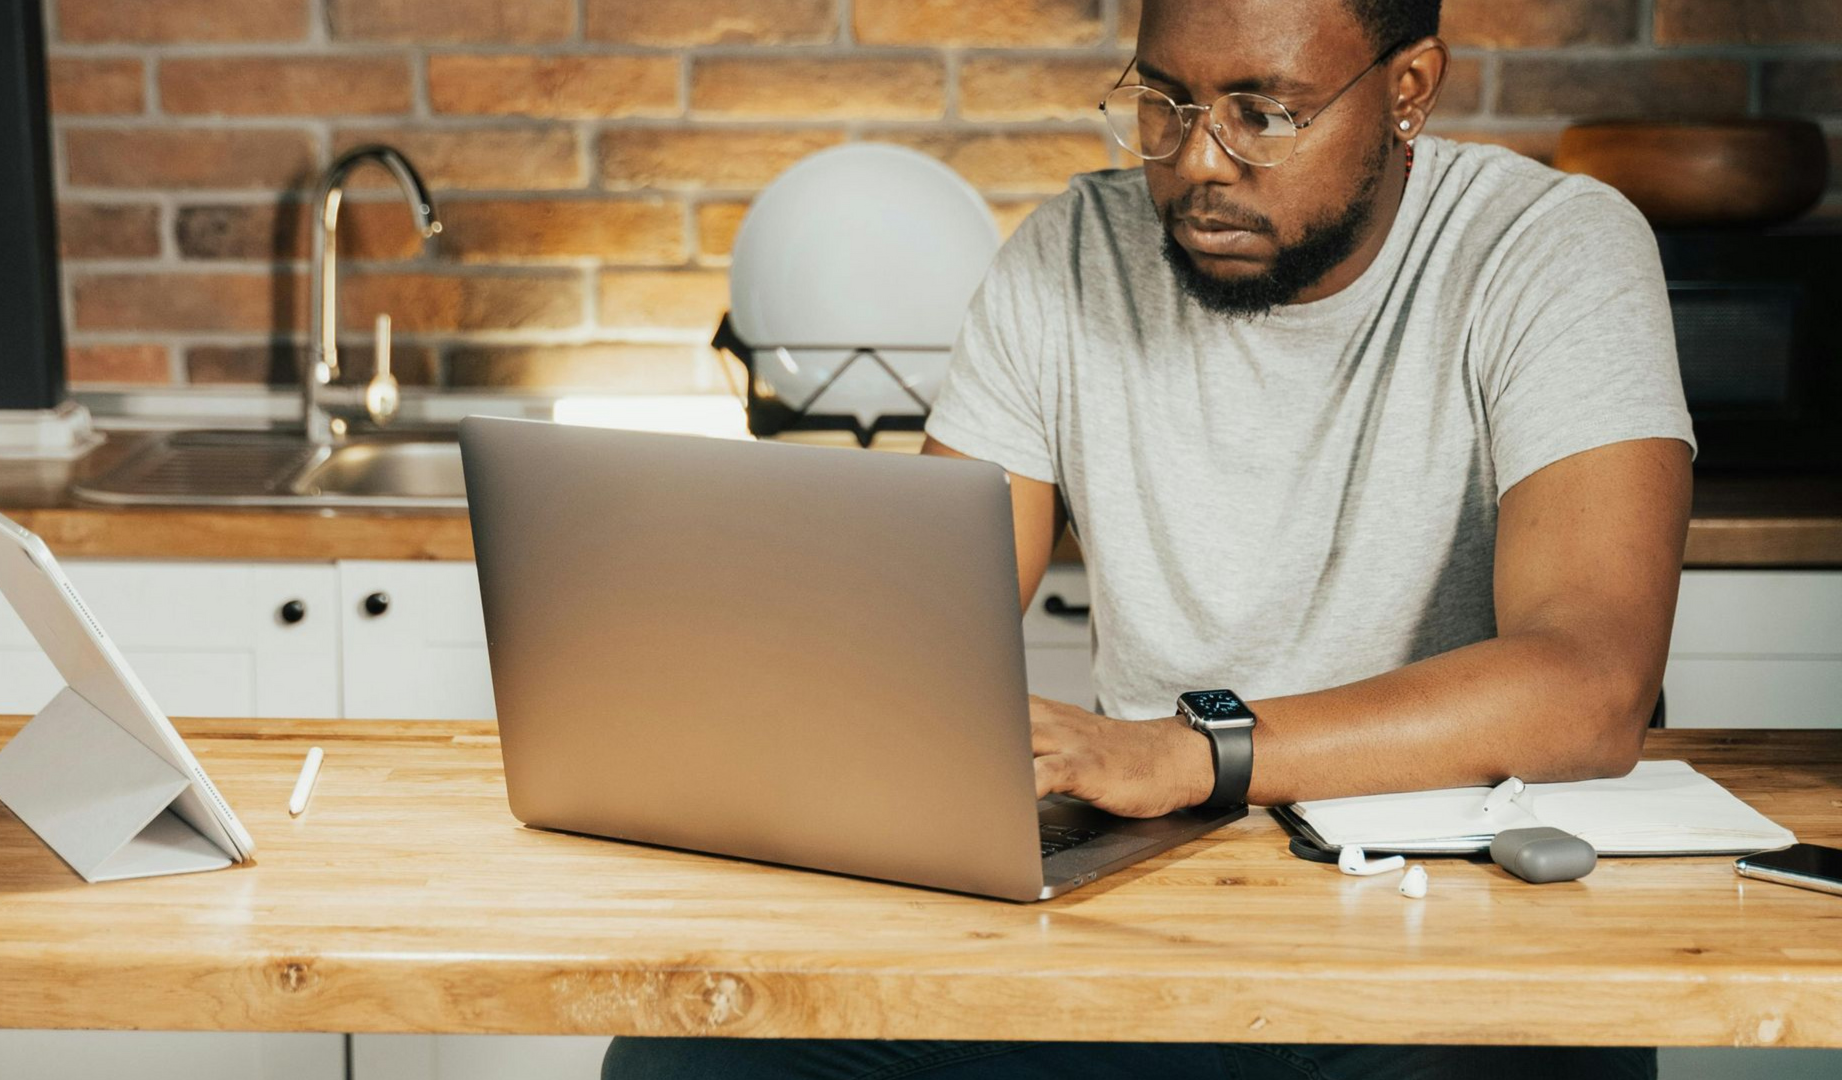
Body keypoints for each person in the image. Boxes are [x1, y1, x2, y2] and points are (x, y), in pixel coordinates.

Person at [604, 0, 1687, 1075]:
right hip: (1146, 885)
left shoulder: (1551, 250)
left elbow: (1589, 686)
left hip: (1445, 897)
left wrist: (1186, 752)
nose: (1199, 161)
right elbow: (924, 635)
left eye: (1264, 112)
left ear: (1409, 91)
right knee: (690, 1058)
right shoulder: (1071, 256)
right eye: (1165, 104)